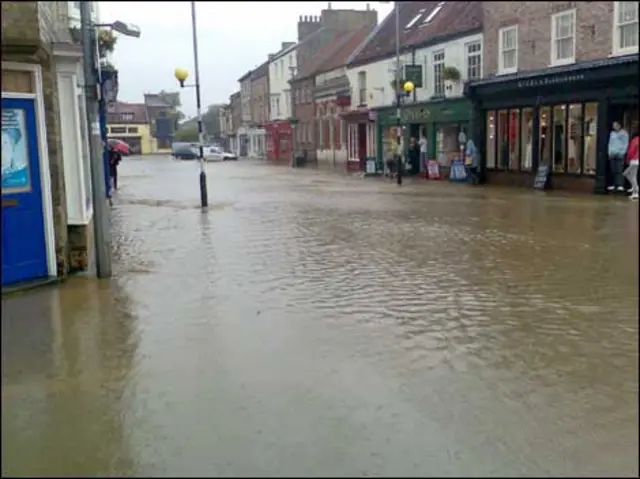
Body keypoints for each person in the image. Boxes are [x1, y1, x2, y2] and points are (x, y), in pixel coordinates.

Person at [607, 120, 629, 192]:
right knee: (612, 170)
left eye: (615, 125)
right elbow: (610, 143)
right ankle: (613, 184)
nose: (614, 127)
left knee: (619, 170)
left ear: (619, 125)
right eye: (613, 125)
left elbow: (625, 144)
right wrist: (609, 152)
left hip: (620, 154)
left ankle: (620, 185)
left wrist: (623, 152)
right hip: (612, 153)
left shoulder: (624, 133)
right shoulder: (612, 133)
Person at [623, 128, 639, 200]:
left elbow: (631, 151)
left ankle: (635, 192)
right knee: (630, 175)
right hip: (637, 160)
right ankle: (634, 187)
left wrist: (628, 158)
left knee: (630, 176)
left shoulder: (634, 140)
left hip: (634, 160)